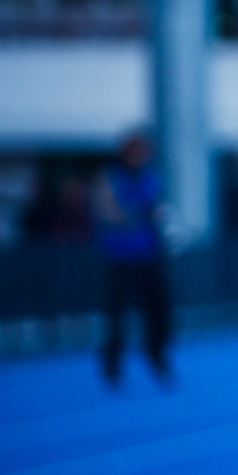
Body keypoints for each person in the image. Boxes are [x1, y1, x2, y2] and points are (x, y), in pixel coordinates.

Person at [93, 131, 173, 386]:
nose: (141, 156)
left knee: (159, 310)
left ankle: (156, 354)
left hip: (148, 255)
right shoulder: (111, 177)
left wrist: (159, 217)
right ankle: (112, 363)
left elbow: (159, 209)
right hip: (119, 256)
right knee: (116, 314)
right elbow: (109, 212)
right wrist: (140, 213)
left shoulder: (151, 176)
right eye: (136, 151)